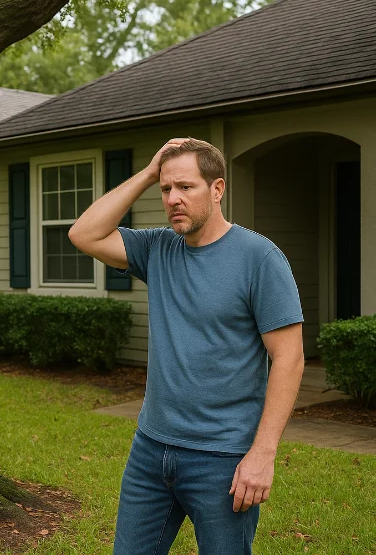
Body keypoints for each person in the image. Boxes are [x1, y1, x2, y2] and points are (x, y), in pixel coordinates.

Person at [68, 138, 305, 554]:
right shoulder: (157, 248)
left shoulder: (259, 258)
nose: (173, 199)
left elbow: (289, 358)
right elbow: (84, 234)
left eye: (186, 187)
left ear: (217, 190)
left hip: (223, 458)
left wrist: (262, 454)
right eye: (166, 189)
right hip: (151, 450)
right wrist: (147, 172)